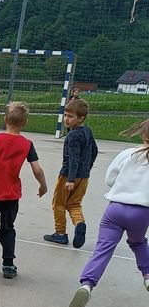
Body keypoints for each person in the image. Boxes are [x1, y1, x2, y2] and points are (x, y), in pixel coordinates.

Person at [68, 119, 149, 307]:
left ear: (143, 133)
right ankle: (148, 275)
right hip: (142, 212)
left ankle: (86, 285)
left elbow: (109, 179)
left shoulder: (127, 153)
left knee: (102, 249)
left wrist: (122, 187)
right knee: (138, 242)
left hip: (116, 208)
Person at [0, 101, 47, 279]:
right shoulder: (27, 144)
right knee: (8, 228)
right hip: (11, 195)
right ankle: (8, 264)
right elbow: (37, 169)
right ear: (25, 122)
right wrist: (43, 185)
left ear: (5, 119)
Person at [43, 99, 98, 248]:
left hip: (68, 175)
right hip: (84, 176)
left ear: (81, 118)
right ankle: (79, 223)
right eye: (65, 115)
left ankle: (60, 234)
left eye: (70, 116)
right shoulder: (87, 131)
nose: (66, 119)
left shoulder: (72, 136)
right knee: (74, 203)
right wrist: (87, 168)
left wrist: (71, 179)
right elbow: (94, 150)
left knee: (58, 204)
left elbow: (73, 158)